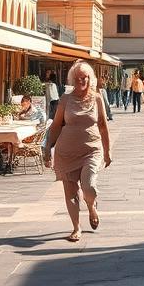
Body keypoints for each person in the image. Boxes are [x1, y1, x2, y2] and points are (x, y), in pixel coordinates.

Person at [44, 61, 112, 242]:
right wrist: (47, 147)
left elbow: (103, 126)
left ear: (91, 79)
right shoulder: (65, 99)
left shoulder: (97, 98)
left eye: (85, 77)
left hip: (91, 150)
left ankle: (91, 205)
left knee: (89, 186)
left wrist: (108, 151)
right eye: (79, 78)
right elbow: (57, 125)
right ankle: (76, 227)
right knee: (70, 192)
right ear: (73, 80)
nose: (82, 80)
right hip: (66, 152)